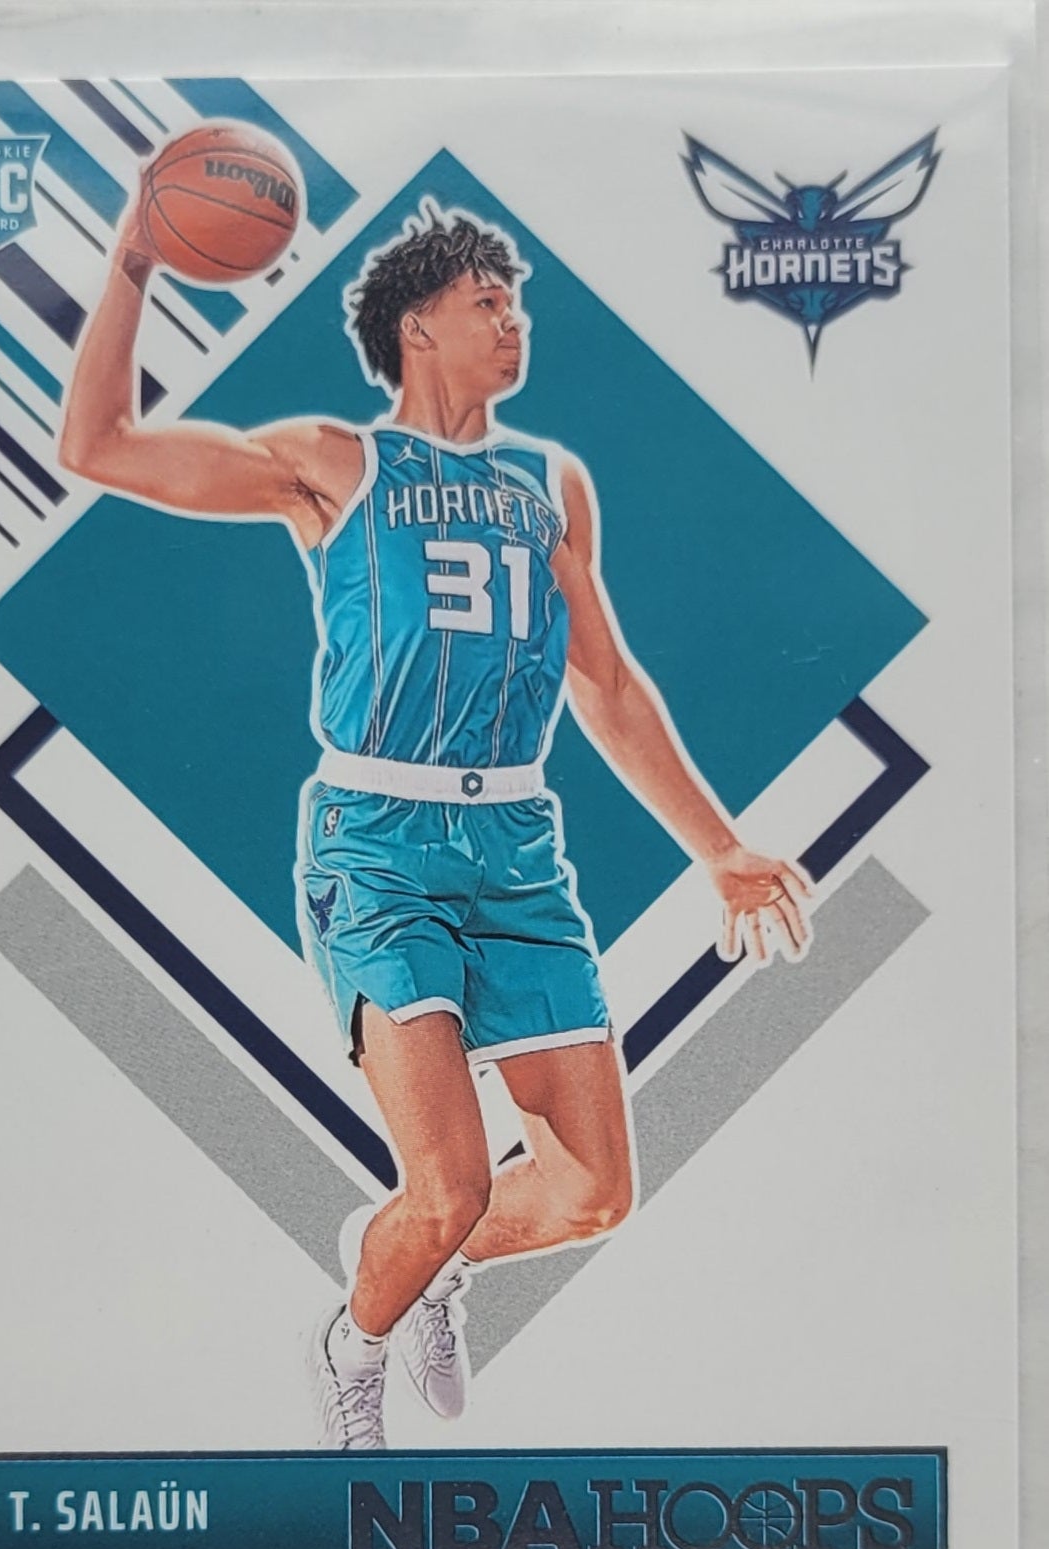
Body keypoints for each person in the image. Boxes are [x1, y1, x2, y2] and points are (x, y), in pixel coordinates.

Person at [59, 187, 812, 1450]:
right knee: (450, 1182)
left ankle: (418, 1262)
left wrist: (719, 847)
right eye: (488, 304)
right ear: (418, 328)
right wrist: (136, 255)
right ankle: (353, 1340)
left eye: (516, 305)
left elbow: (605, 685)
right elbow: (99, 446)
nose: (515, 324)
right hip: (377, 838)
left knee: (590, 1195)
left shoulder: (549, 481)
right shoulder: (331, 462)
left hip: (517, 848)